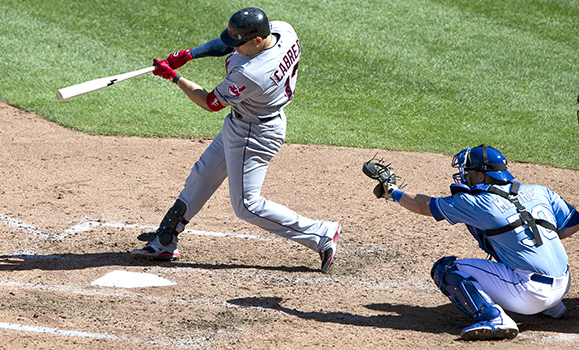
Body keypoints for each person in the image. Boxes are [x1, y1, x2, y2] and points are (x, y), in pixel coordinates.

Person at [131, 8, 341, 273]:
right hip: (243, 122)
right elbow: (227, 43)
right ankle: (165, 239)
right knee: (202, 174)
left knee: (246, 206)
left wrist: (174, 77)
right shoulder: (282, 31)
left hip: (255, 133)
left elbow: (209, 102)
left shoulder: (254, 74)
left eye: (239, 43)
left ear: (256, 41)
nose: (234, 47)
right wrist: (188, 55)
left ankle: (321, 233)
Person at [377, 144, 578, 340]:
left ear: (481, 175)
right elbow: (572, 223)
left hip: (529, 296)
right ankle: (553, 307)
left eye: (469, 171)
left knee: (446, 269)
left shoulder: (478, 203)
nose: (465, 176)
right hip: (563, 285)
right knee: (513, 246)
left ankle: (495, 319)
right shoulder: (540, 191)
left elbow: (425, 206)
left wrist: (393, 192)